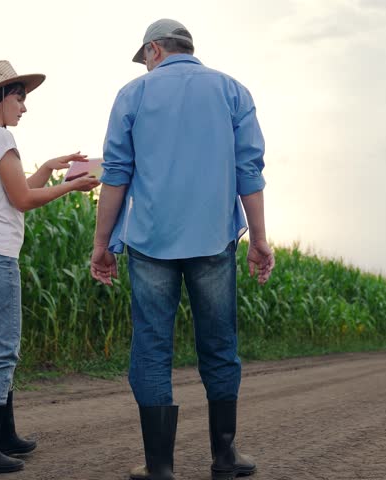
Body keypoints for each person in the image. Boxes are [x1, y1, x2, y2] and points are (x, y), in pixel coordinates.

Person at [89, 19, 274, 480]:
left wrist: (102, 245)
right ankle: (224, 458)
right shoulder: (233, 91)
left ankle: (159, 467)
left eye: (144, 59)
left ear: (154, 50)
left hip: (151, 243)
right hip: (213, 240)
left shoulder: (133, 95)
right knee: (219, 345)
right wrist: (260, 239)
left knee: (151, 348)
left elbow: (116, 174)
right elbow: (248, 170)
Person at [0, 60, 100, 476]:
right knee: (0, 354)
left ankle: (4, 437)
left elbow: (15, 189)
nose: (25, 107)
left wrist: (50, 169)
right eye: (20, 97)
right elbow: (23, 201)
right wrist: (73, 185)